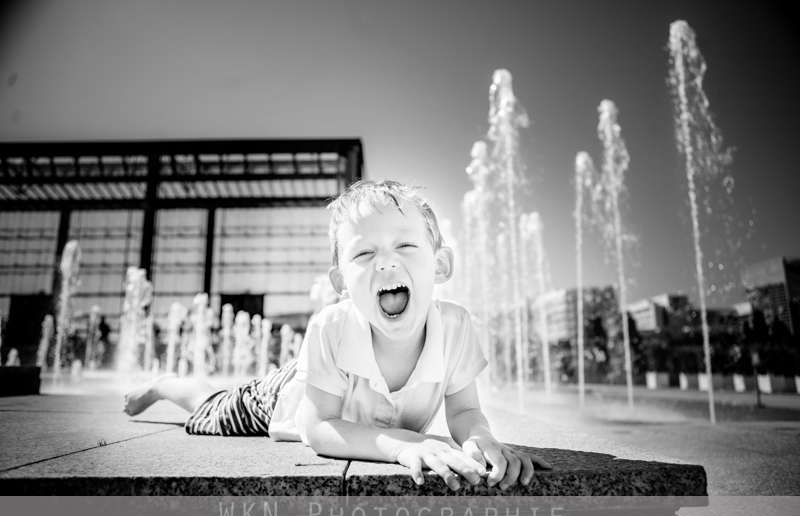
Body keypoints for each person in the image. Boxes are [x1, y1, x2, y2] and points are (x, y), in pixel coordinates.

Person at [124, 180, 551, 491]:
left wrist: (480, 439)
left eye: (405, 246)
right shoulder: (330, 326)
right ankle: (165, 385)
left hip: (329, 386)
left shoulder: (455, 328)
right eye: (364, 253)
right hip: (285, 396)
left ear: (440, 265)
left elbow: (465, 411)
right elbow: (317, 428)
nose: (386, 262)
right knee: (212, 410)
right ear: (341, 282)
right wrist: (402, 444)